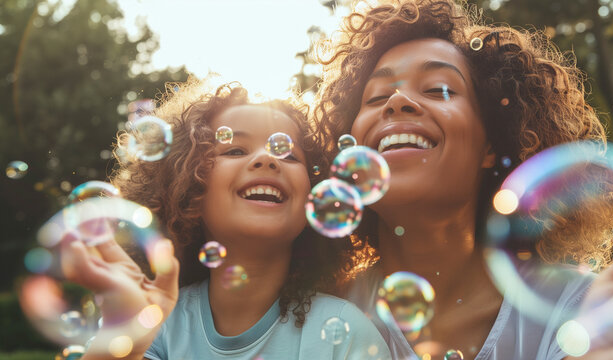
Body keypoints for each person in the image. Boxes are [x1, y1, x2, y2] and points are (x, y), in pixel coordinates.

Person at [311, 0, 613, 359]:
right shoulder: (315, 316)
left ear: (492, 144)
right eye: (376, 97)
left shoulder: (586, 312)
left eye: (438, 89)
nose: (397, 101)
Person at [61, 79, 393, 359]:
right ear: (188, 187)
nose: (267, 159)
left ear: (318, 194)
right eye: (235, 150)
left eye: (289, 155)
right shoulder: (157, 322)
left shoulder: (341, 330)